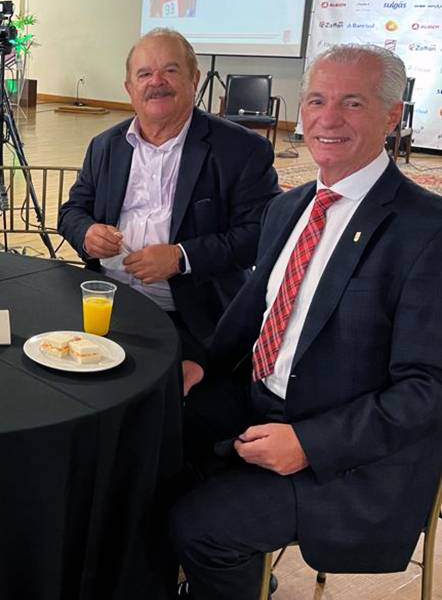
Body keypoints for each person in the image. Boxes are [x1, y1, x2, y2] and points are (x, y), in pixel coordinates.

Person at [170, 44, 442, 600]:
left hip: (349, 453)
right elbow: (253, 309)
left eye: (352, 103)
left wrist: (310, 443)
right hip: (263, 397)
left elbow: (427, 390)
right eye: (316, 100)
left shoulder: (427, 232)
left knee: (202, 528)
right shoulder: (290, 206)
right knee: (142, 437)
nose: (327, 119)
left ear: (393, 115)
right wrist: (201, 361)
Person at [59, 28, 280, 393]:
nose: (156, 82)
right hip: (105, 304)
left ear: (194, 79)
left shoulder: (240, 150)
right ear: (129, 88)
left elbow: (261, 233)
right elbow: (72, 211)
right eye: (144, 74)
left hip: (192, 319)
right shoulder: (106, 146)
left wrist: (182, 257)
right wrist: (85, 233)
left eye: (171, 71)